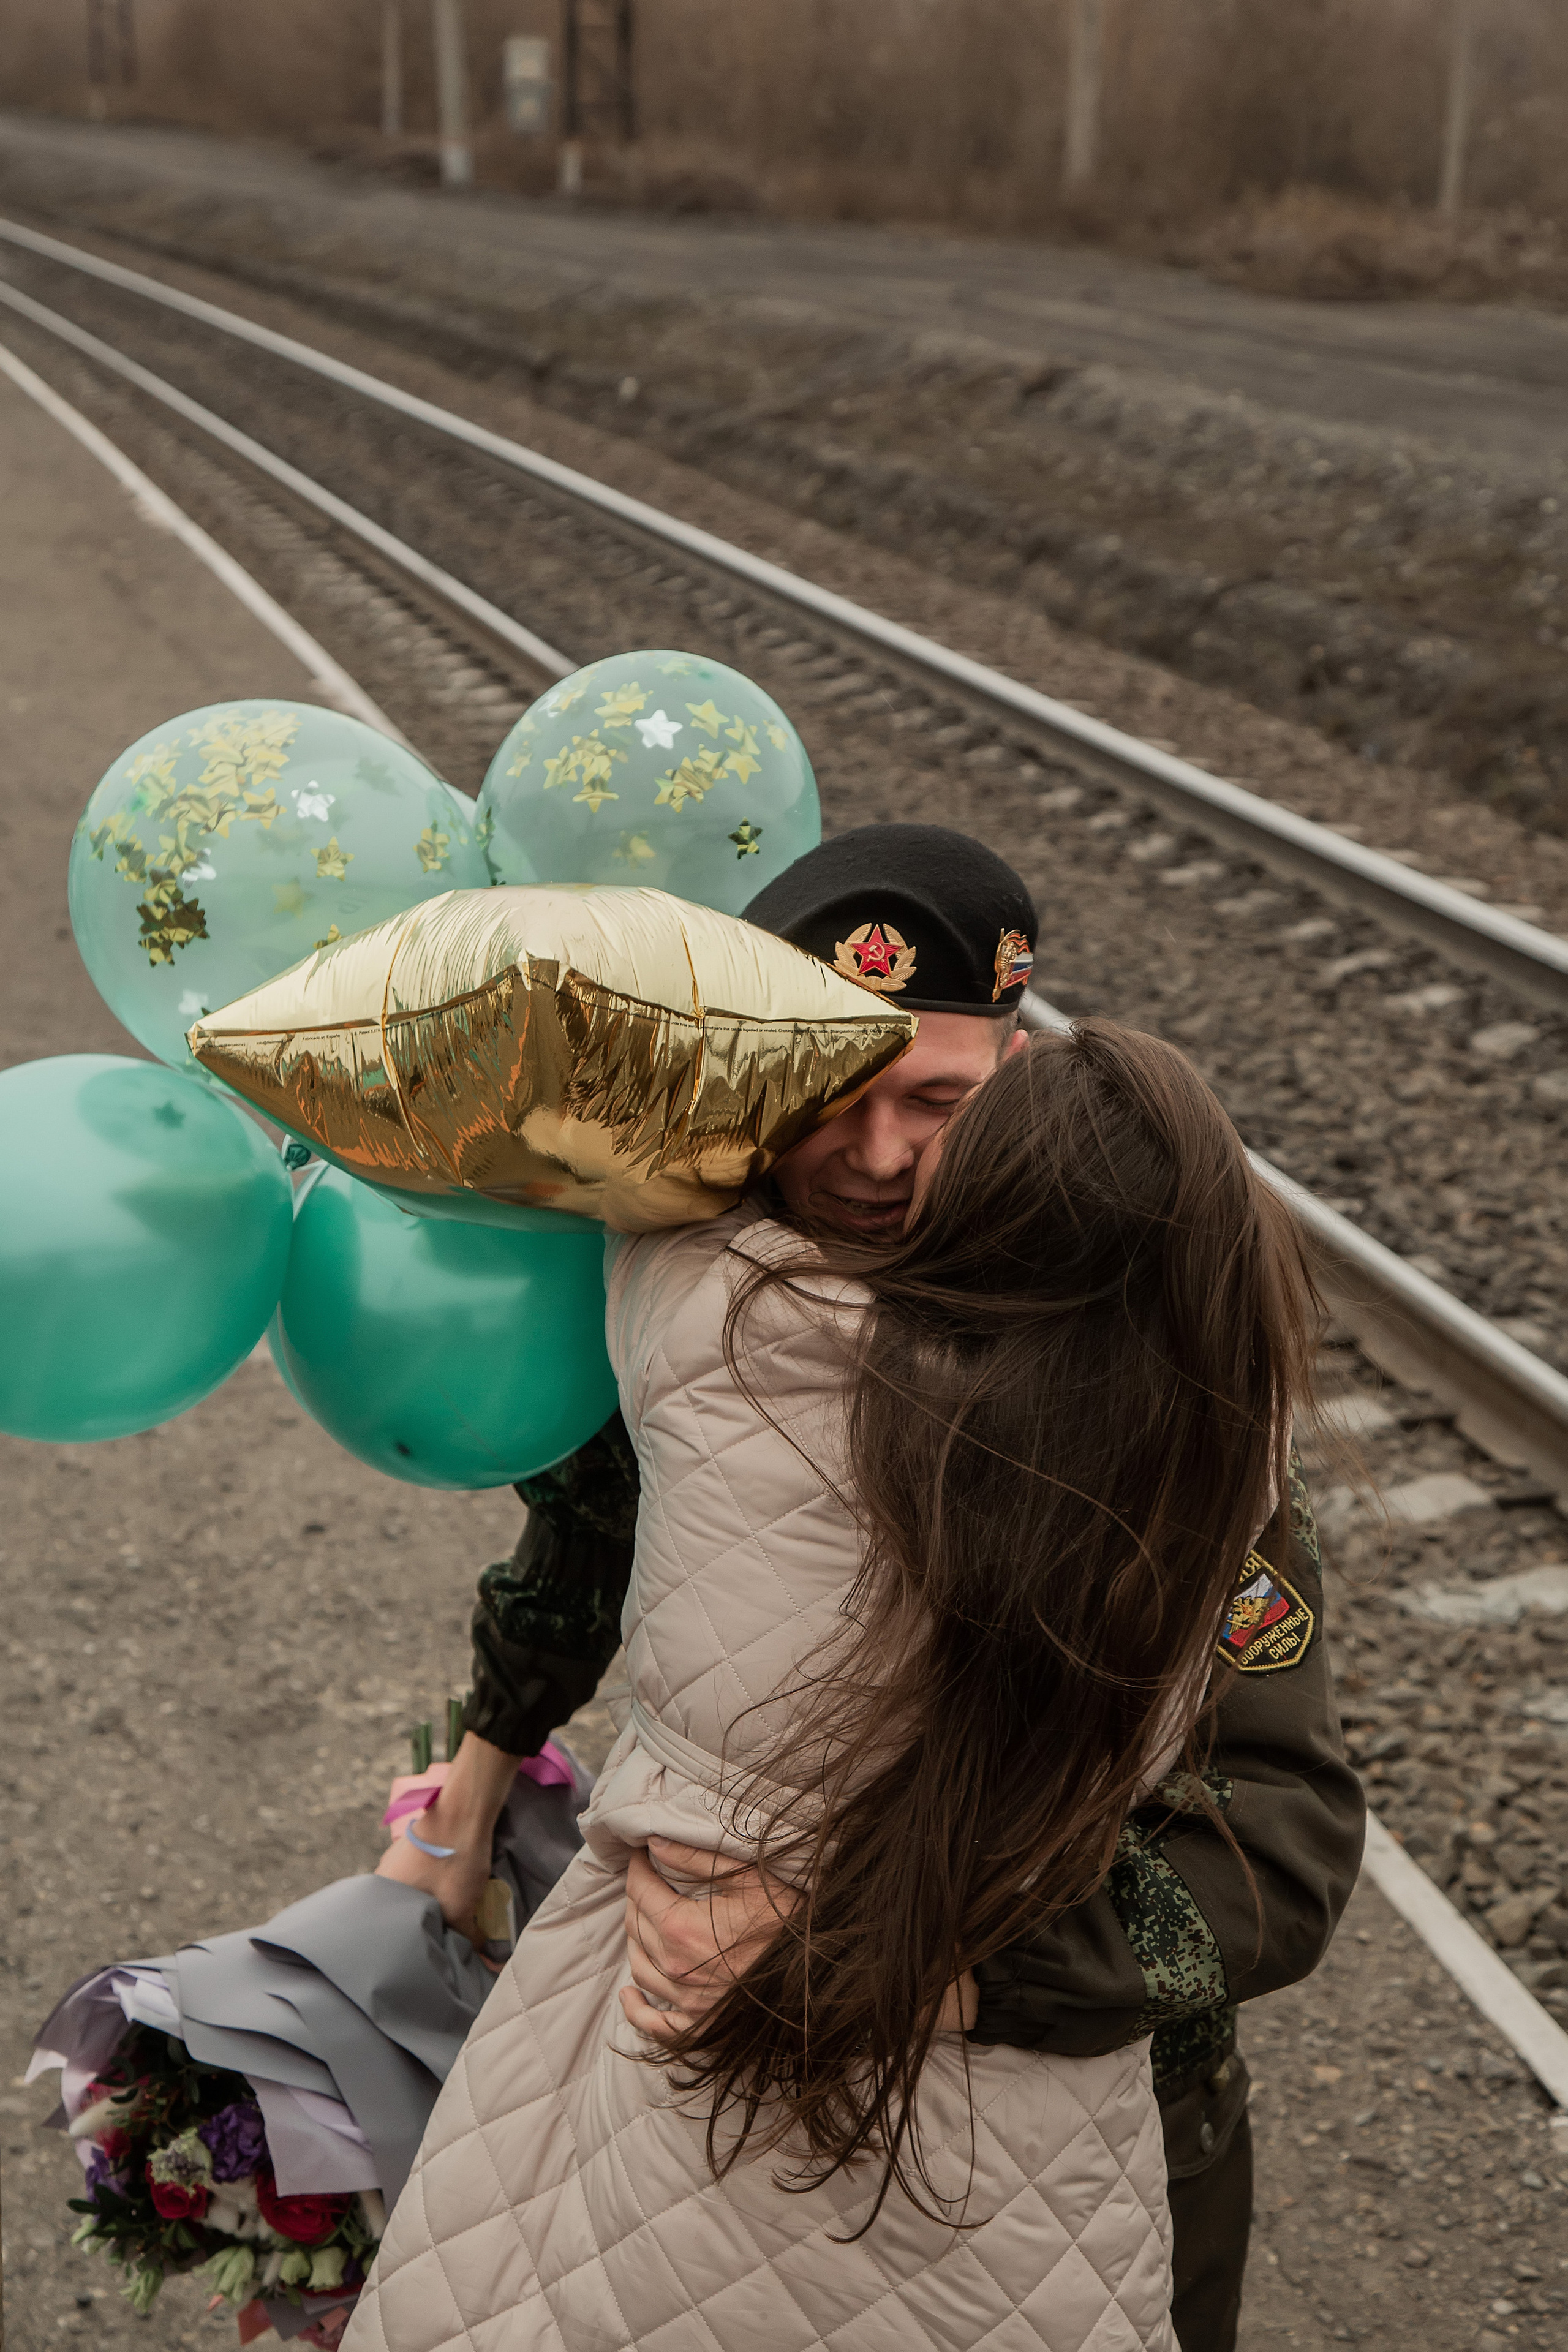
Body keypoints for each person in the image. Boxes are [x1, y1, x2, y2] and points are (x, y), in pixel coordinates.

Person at [377, 826, 1365, 2350]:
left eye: (934, 1102)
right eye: (827, 1098)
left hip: (1096, 2116)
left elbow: (1277, 1847)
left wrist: (925, 1973)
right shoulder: (700, 1292)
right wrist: (460, 1805)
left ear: (1014, 1070)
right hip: (702, 2109)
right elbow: (582, 1546)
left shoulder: (1141, 1372)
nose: (878, 1156)